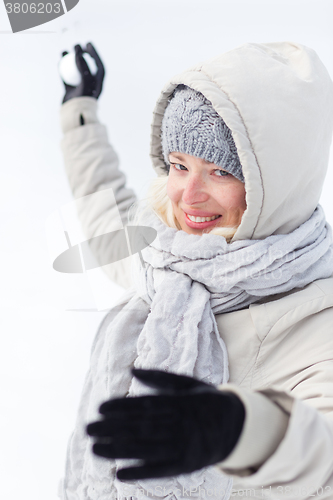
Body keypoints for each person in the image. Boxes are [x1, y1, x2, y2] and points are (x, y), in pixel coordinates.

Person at [58, 42, 333, 500]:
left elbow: (322, 451)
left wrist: (243, 432)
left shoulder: (312, 319)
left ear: (275, 185)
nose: (188, 195)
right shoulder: (164, 255)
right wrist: (78, 113)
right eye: (179, 166)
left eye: (221, 172)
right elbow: (105, 209)